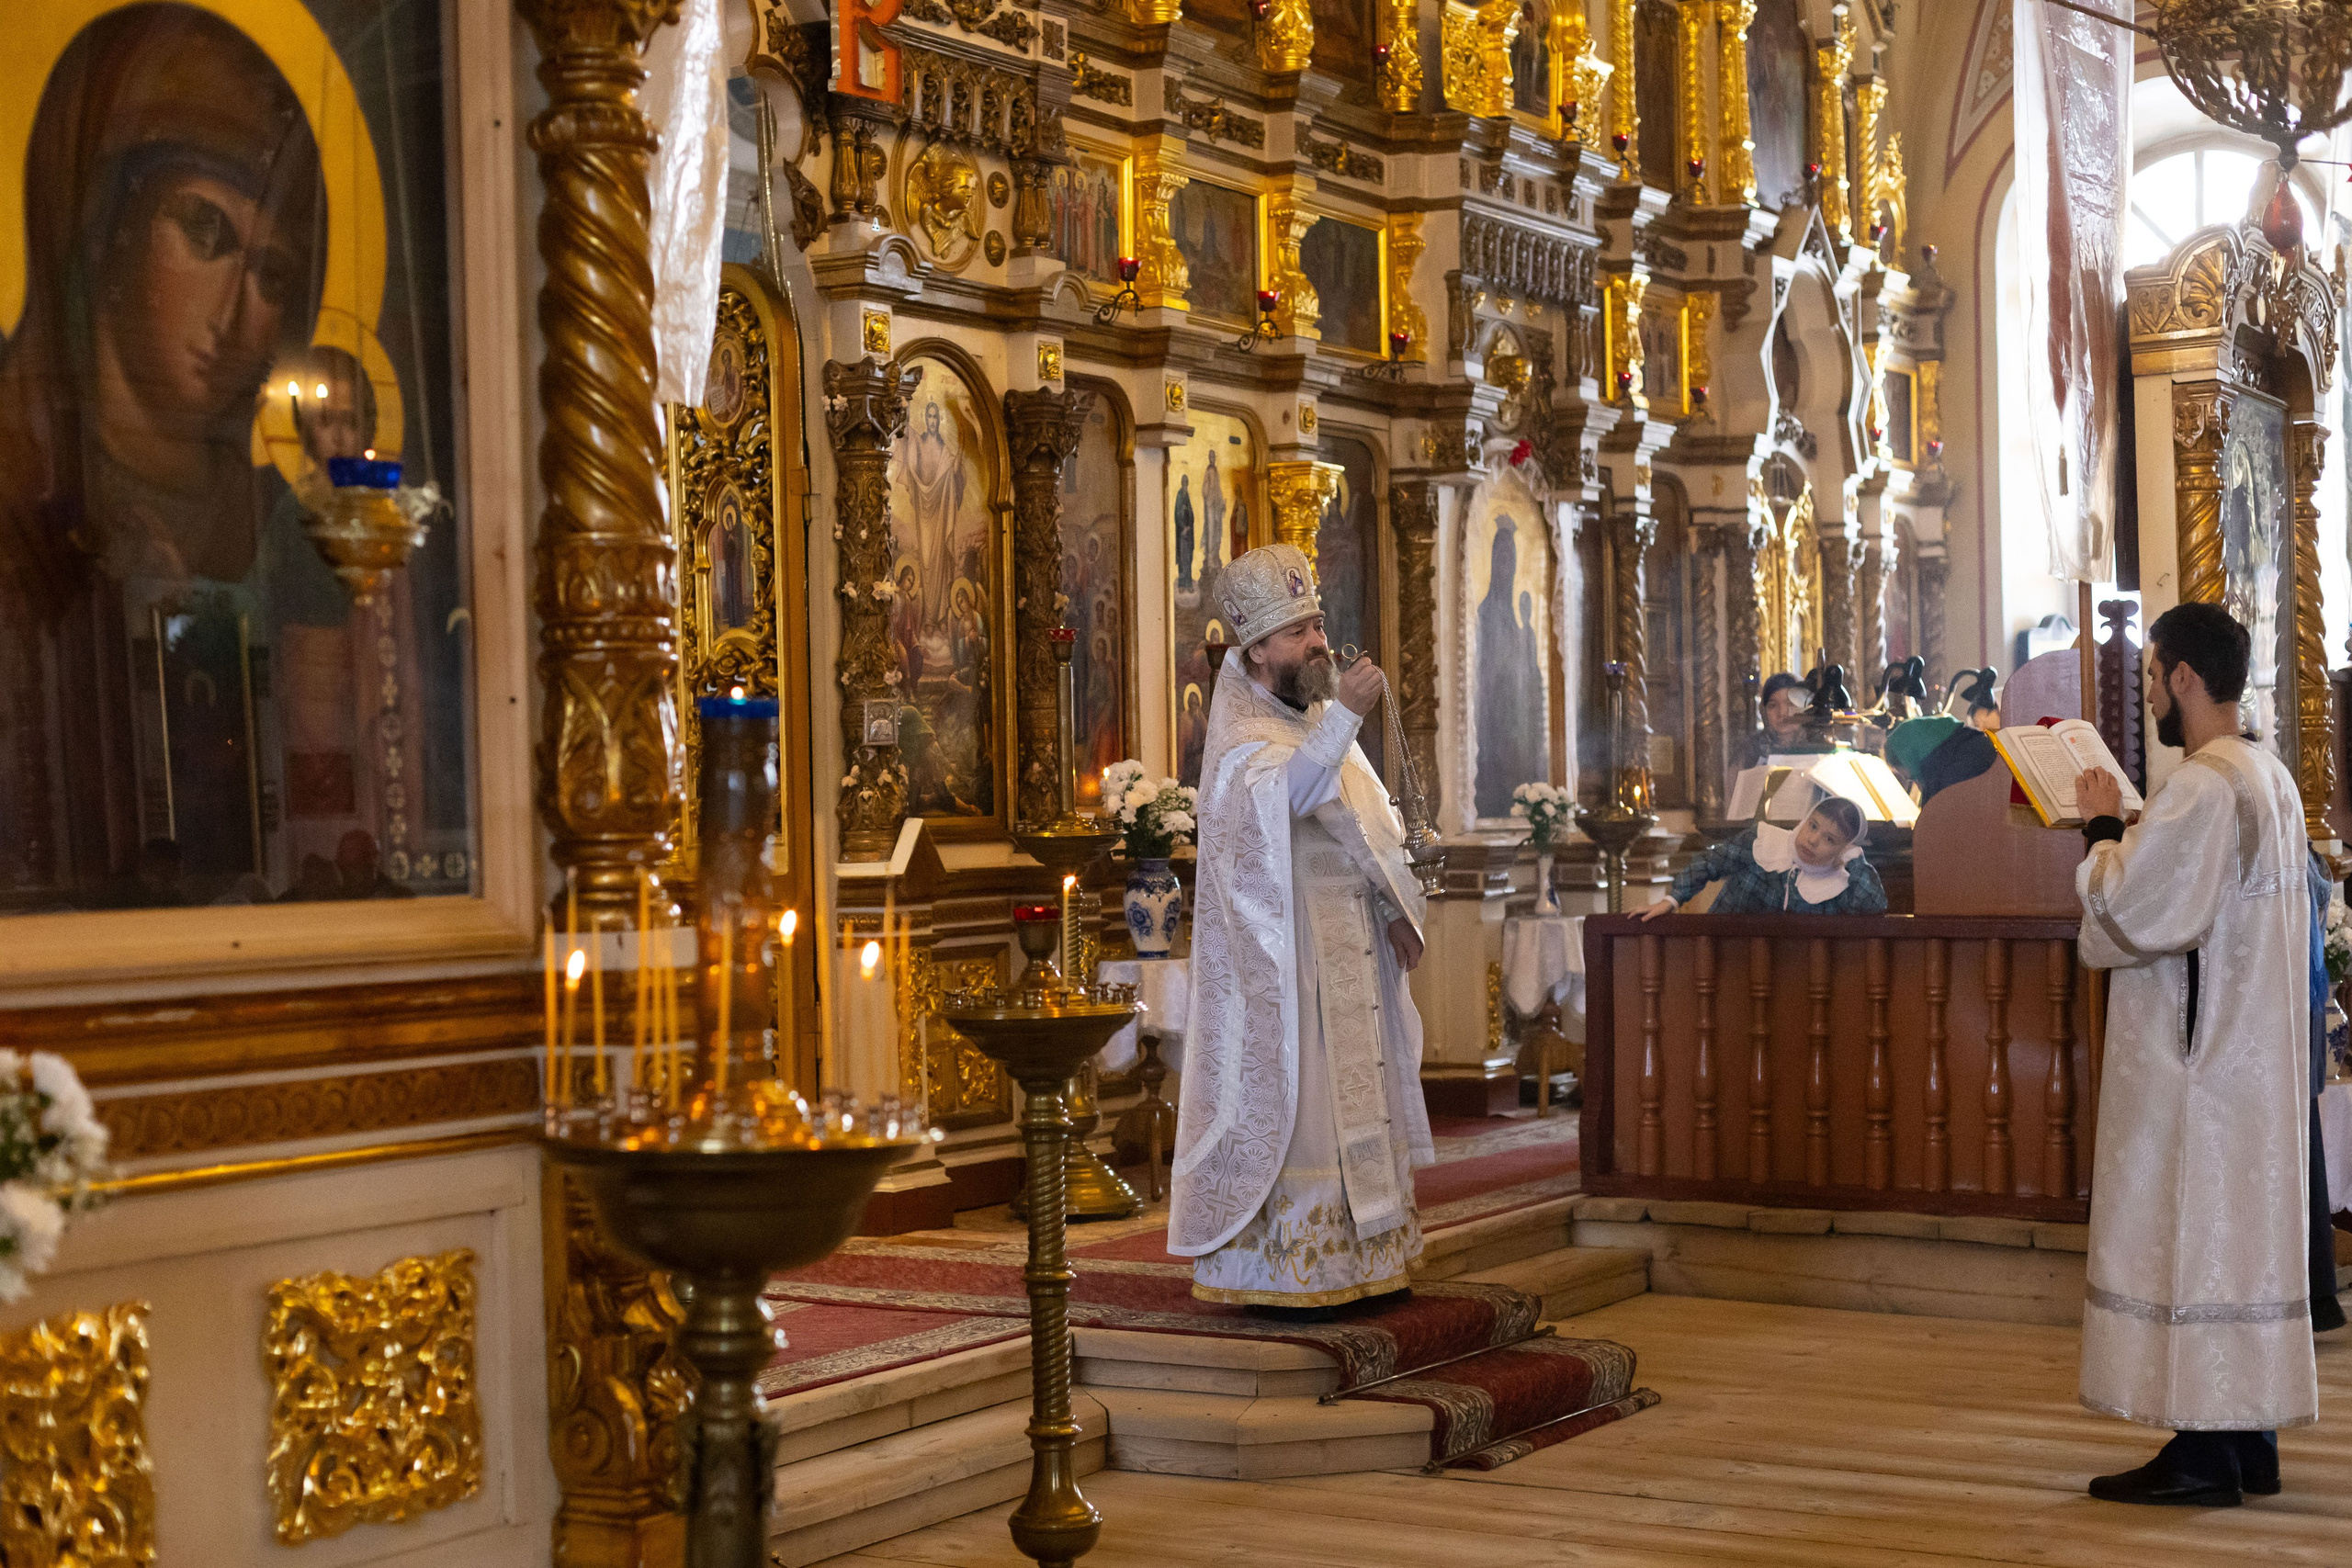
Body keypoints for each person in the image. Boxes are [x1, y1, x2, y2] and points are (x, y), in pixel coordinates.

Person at [2070, 602, 2314, 1506]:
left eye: (2150, 677)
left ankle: (2205, 1454)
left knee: (2194, 1234)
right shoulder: (2267, 774)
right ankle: (2245, 1438)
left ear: (2179, 675)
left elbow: (2136, 915)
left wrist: (2101, 832)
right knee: (2235, 1244)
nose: (2149, 696)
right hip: (2248, 1060)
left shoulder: (2204, 784)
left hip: (2197, 1064)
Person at [1170, 543, 1434, 1317]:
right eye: (1300, 633)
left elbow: (1369, 825)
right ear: (1257, 650)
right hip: (1291, 972)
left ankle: (1369, 1254)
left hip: (1350, 946)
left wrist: (1396, 911)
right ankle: (1290, 1271)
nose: (1319, 643)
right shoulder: (1243, 742)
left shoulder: (1317, 723)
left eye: (1318, 624)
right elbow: (1290, 795)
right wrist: (1349, 711)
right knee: (1309, 1108)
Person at [1639, 796, 1886, 918]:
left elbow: (1874, 908)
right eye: (1813, 826)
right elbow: (1709, 863)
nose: (1813, 840)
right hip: (1728, 960)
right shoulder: (1763, 840)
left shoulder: (1840, 883)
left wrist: (1854, 859)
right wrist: (1672, 899)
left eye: (1830, 839)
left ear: (1843, 849)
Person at [1883, 713, 1999, 805]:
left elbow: (1935, 827)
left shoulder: (1948, 775)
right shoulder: (1970, 743)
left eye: (1913, 777)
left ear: (1911, 760)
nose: (1918, 785)